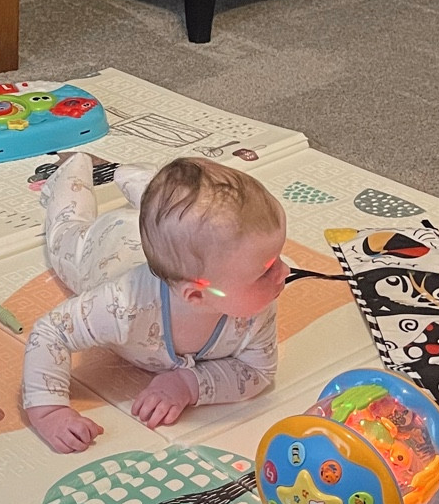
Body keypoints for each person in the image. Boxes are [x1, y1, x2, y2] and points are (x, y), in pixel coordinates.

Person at [22, 152, 288, 452]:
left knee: (177, 220)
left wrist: (189, 384)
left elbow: (258, 371)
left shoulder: (254, 306)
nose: (285, 271)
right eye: (266, 270)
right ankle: (72, 169)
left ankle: (139, 181)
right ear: (197, 295)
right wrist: (49, 410)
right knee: (64, 232)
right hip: (106, 247)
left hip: (165, 244)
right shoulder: (122, 305)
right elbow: (51, 332)